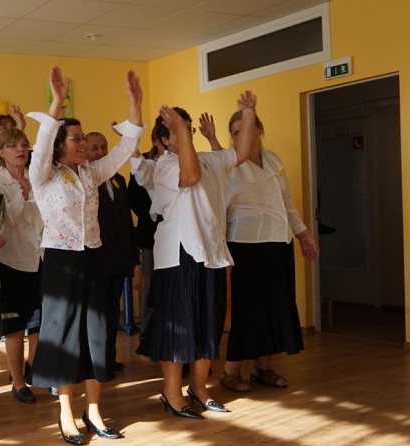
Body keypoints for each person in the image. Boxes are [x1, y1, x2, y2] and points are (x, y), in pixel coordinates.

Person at [27, 66, 145, 445]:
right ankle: (66, 413)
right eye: (75, 138)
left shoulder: (92, 173)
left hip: (93, 257)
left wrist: (135, 105)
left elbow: (125, 149)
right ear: (60, 144)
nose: (82, 142)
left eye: (82, 137)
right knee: (64, 337)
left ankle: (93, 411)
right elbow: (42, 144)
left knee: (97, 334)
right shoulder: (43, 175)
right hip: (60, 263)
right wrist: (57, 104)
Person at [136, 94, 258, 420]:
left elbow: (243, 151)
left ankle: (200, 388)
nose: (187, 134)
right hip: (179, 255)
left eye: (188, 129)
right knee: (179, 325)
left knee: (208, 323)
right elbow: (189, 178)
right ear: (165, 140)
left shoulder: (209, 160)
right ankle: (172, 392)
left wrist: (248, 112)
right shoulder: (163, 166)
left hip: (211, 254)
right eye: (179, 130)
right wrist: (182, 132)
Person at [198, 112, 320, 392]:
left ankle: (263, 367)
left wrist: (304, 235)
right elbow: (218, 212)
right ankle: (230, 371)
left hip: (279, 243)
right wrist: (221, 252)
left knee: (275, 305)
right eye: (236, 132)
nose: (243, 135)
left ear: (259, 130)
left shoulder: (273, 160)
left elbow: (286, 203)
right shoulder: (229, 163)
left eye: (248, 128)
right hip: (245, 245)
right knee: (248, 309)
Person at [0, 128, 43, 403]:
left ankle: (31, 369)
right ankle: (18, 382)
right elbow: (8, 219)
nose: (21, 150)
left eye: (24, 145)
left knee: (39, 325)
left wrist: (30, 187)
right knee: (15, 328)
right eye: (13, 146)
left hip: (38, 258)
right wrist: (23, 192)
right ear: (1, 152)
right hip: (10, 262)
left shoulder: (37, 176)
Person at [86, 131, 138, 372]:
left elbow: (126, 219)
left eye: (103, 147)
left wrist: (132, 254)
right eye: (94, 148)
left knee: (112, 310)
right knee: (98, 312)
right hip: (97, 258)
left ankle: (109, 357)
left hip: (118, 258)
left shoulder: (118, 180)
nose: (100, 152)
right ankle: (96, 361)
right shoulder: (85, 180)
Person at [128, 125, 164, 346]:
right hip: (150, 234)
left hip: (175, 234)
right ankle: (147, 335)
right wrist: (152, 212)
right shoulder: (143, 163)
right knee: (150, 285)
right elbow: (133, 198)